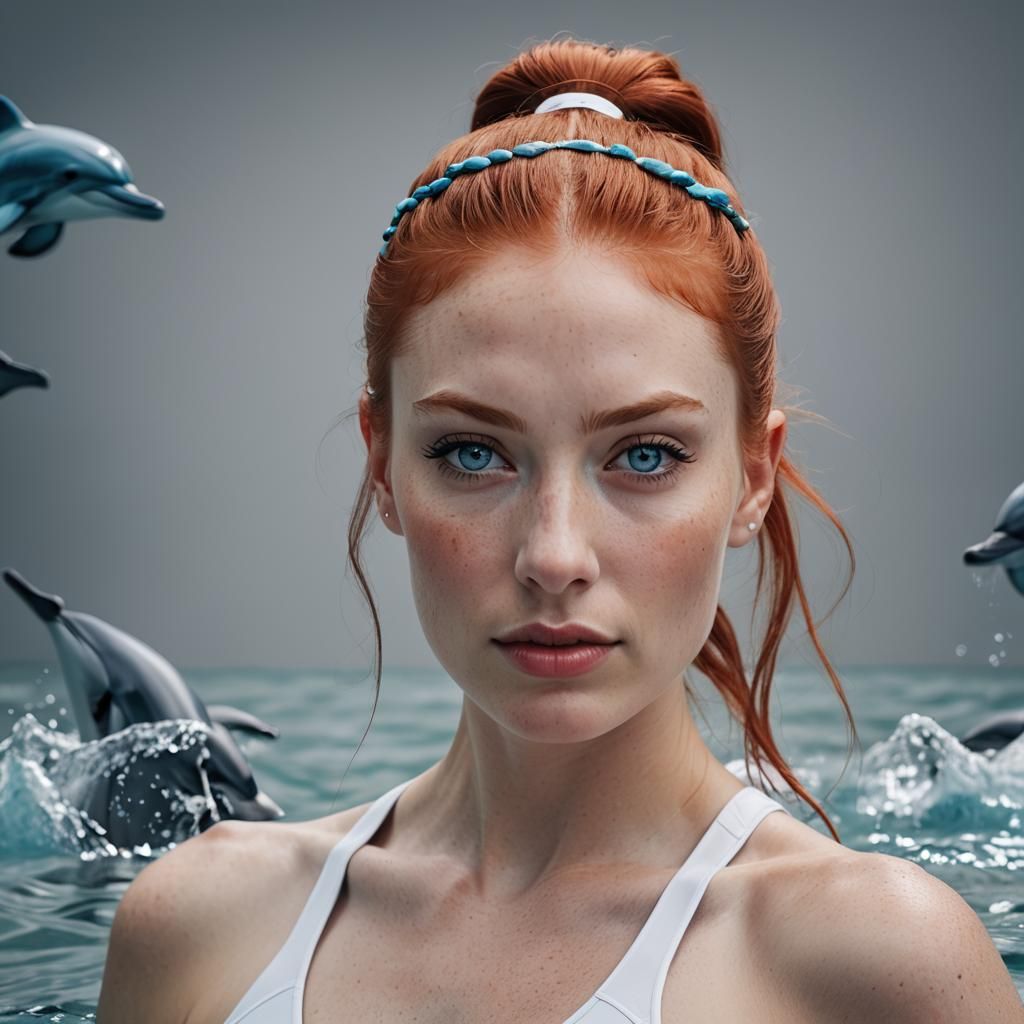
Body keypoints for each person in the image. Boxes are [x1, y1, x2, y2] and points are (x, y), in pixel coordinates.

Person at [98, 36, 1023, 1023]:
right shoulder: (198, 925)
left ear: (753, 475)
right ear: (382, 464)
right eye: (470, 453)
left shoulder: (878, 964)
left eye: (645, 455)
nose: (553, 556)